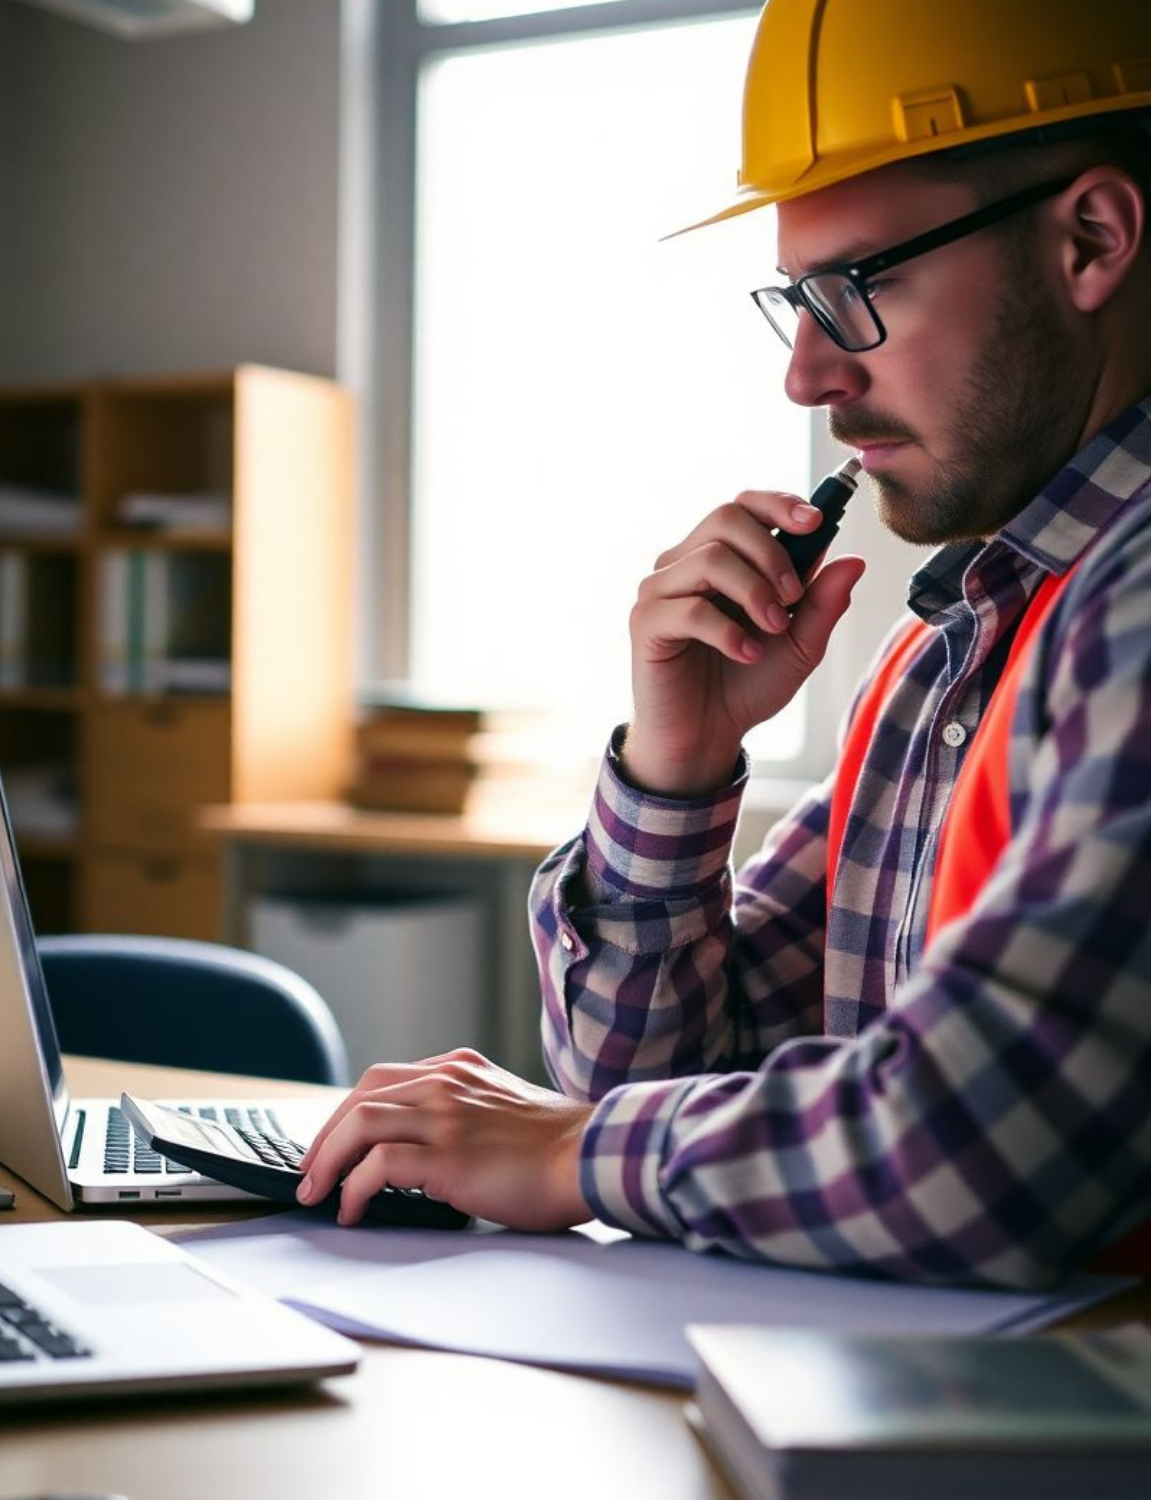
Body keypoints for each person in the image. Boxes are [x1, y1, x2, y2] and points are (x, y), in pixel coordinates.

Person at [299, 0, 1151, 1287]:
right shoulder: (945, 659)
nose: (805, 377)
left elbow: (981, 1152)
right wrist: (677, 765)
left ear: (1090, 239)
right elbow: (661, 1078)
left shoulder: (1131, 607)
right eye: (795, 302)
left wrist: (572, 1152)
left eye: (857, 289)